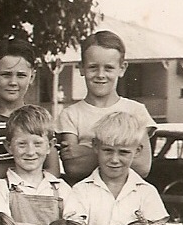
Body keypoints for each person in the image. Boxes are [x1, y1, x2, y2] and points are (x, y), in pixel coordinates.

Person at [71, 110, 170, 225]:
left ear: (138, 150)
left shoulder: (146, 193)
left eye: (123, 152)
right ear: (95, 146)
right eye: (108, 151)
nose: (114, 159)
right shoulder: (80, 191)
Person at [56, 30, 157, 184]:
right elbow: (73, 167)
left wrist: (87, 152)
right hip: (86, 197)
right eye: (93, 67)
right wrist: (124, 154)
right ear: (82, 68)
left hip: (127, 196)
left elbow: (143, 166)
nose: (100, 74)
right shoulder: (70, 114)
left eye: (109, 68)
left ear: (122, 68)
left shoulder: (136, 111)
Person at [0, 38, 57, 187]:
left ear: (31, 77)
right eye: (6, 75)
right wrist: (36, 164)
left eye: (21, 75)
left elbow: (53, 170)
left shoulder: (40, 119)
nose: (13, 82)